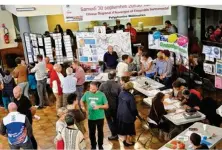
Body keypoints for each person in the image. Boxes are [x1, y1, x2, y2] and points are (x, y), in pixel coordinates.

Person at [80, 82, 109, 149]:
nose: (91, 90)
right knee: (91, 132)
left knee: (100, 132)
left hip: (100, 117)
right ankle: (93, 145)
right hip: (91, 117)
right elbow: (81, 100)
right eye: (90, 88)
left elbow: (107, 106)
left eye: (93, 89)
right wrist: (83, 107)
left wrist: (99, 106)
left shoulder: (102, 95)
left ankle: (100, 145)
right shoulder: (87, 93)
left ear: (97, 87)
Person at [99, 72, 121, 140]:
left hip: (106, 106)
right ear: (114, 77)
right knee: (115, 119)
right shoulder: (118, 85)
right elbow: (120, 96)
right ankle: (117, 132)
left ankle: (114, 134)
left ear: (108, 77)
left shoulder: (102, 85)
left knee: (109, 119)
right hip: (115, 106)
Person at [117, 82, 138, 146]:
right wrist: (136, 115)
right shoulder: (131, 97)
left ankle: (124, 139)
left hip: (120, 113)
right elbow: (133, 108)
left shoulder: (121, 93)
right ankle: (128, 141)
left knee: (124, 128)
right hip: (127, 115)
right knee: (129, 129)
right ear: (130, 88)